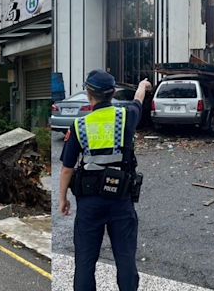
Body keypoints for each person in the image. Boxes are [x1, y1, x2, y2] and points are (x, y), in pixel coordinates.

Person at [59, 69, 152, 291]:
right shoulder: (126, 115)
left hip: (90, 202)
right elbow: (138, 101)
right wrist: (142, 86)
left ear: (89, 94)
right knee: (126, 258)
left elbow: (66, 169)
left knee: (84, 260)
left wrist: (62, 198)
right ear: (113, 93)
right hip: (120, 198)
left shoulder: (79, 125)